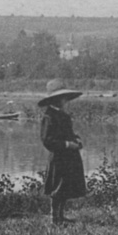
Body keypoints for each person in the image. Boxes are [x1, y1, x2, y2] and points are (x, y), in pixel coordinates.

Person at [38, 80, 87, 225]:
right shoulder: (49, 117)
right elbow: (47, 140)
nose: (65, 101)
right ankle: (54, 218)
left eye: (65, 98)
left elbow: (69, 133)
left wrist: (76, 140)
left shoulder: (63, 116)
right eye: (62, 98)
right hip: (59, 157)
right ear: (55, 99)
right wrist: (67, 144)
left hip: (69, 158)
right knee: (57, 188)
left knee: (66, 187)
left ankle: (61, 215)